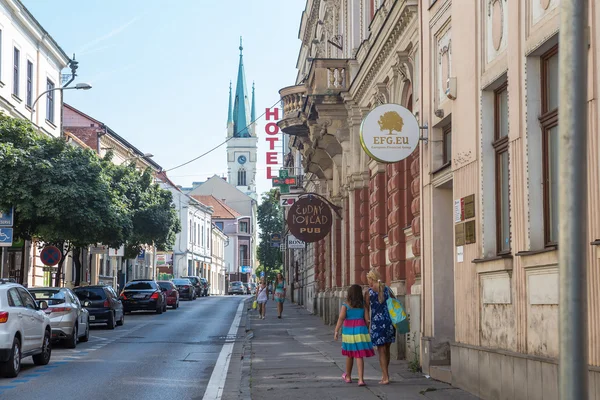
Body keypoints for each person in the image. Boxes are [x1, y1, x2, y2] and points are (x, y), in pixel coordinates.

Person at [334, 284, 375, 387]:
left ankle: (348, 376)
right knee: (359, 355)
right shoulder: (363, 305)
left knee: (350, 355)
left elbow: (341, 318)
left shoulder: (346, 305)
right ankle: (361, 379)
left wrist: (336, 331)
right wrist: (366, 328)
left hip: (349, 332)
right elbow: (367, 319)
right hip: (361, 330)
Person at [365, 269, 395, 385]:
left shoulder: (369, 292)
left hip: (377, 324)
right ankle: (385, 374)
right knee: (387, 349)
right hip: (389, 323)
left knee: (381, 351)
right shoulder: (388, 289)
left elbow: (366, 308)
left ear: (372, 279)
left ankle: (385, 377)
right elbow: (395, 303)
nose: (368, 282)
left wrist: (367, 323)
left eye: (369, 280)